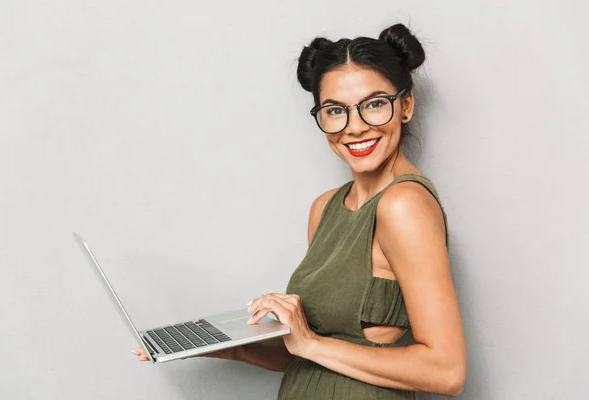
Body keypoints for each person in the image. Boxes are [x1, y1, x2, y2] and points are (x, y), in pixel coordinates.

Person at [133, 23, 467, 399]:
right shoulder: (324, 208)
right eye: (335, 110)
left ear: (405, 106)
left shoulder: (404, 204)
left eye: (374, 104)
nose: (354, 127)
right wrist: (222, 343)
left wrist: (308, 342)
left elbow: (446, 371)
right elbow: (309, 352)